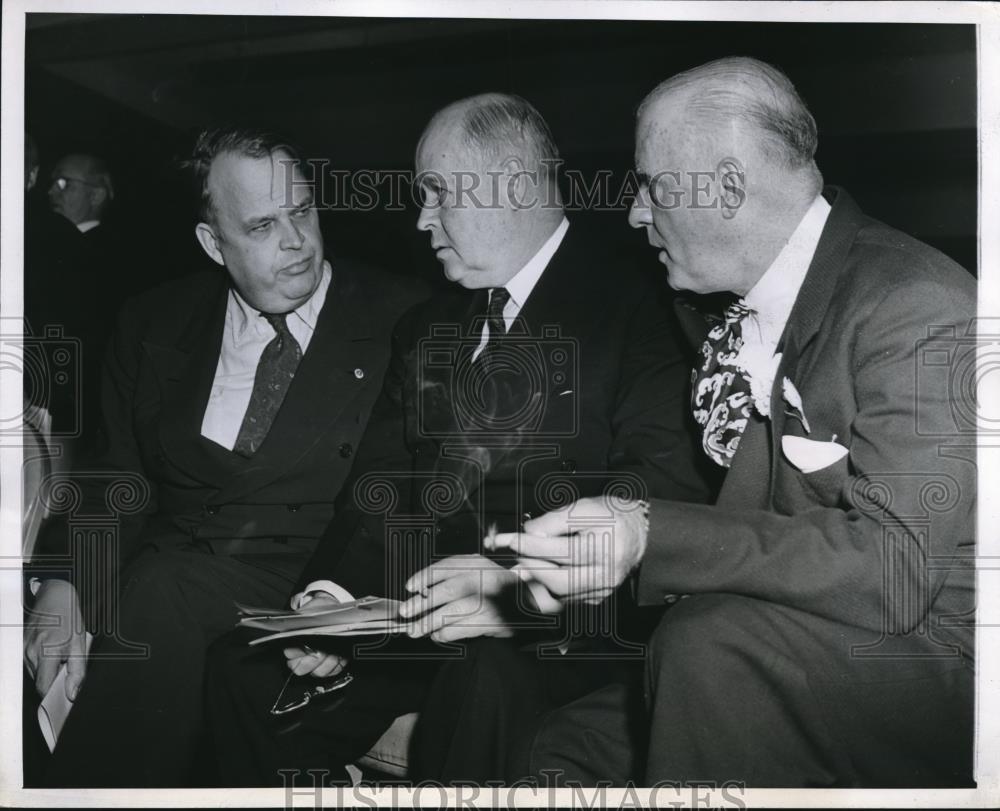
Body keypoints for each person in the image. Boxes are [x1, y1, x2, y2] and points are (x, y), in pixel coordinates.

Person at [492, 56, 976, 787]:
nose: (634, 213)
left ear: (726, 189)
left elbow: (897, 570)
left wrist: (649, 533)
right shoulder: (735, 315)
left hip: (944, 655)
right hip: (815, 630)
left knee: (707, 648)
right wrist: (608, 550)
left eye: (651, 186)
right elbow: (752, 529)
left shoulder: (911, 303)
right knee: (560, 746)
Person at [205, 93, 713, 786]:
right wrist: (331, 602)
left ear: (510, 184)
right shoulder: (426, 326)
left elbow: (654, 494)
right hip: (424, 614)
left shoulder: (646, 308)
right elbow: (381, 487)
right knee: (246, 661)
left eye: (437, 193)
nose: (421, 220)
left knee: (484, 676)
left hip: (563, 624)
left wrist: (514, 592)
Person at [24, 127, 428, 787]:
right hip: (161, 580)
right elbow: (115, 475)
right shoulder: (153, 321)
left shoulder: (403, 317)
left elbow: (418, 493)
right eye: (264, 225)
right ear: (214, 243)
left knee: (164, 599)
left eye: (302, 211)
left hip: (312, 581)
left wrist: (345, 602)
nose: (296, 241)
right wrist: (68, 579)